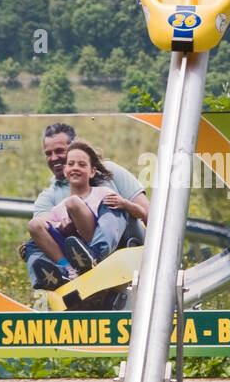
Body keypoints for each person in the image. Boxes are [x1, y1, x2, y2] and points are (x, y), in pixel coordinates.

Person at [21, 123, 149, 290]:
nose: (53, 158)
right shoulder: (49, 196)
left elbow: (147, 212)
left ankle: (96, 254)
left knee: (111, 204)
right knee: (32, 245)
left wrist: (124, 204)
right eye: (48, 153)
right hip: (77, 251)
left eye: (60, 151)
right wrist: (59, 227)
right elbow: (43, 225)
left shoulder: (109, 175)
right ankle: (59, 274)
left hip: (124, 244)